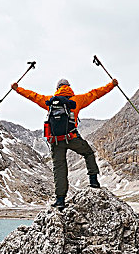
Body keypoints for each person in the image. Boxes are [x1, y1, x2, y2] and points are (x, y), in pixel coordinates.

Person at [11, 78, 118, 209]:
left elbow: (33, 96)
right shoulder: (77, 100)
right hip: (72, 137)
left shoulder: (49, 101)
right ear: (69, 87)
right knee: (88, 153)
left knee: (59, 168)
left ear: (57, 89)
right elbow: (95, 93)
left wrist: (17, 89)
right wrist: (111, 85)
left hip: (56, 141)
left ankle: (60, 200)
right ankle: (94, 181)